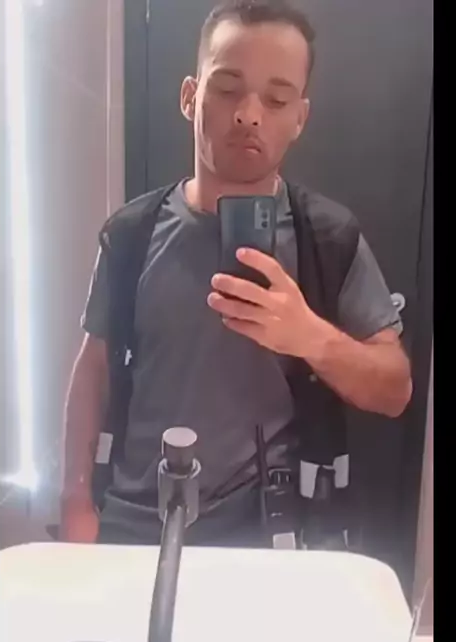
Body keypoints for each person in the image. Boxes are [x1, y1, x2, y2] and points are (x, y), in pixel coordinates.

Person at [60, 0, 412, 547]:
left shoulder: (327, 239)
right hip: (134, 524)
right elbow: (95, 371)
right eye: (227, 89)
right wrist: (76, 502)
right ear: (189, 97)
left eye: (276, 99)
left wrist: (310, 337)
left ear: (300, 118)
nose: (249, 114)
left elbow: (395, 390)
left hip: (271, 534)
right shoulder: (131, 234)